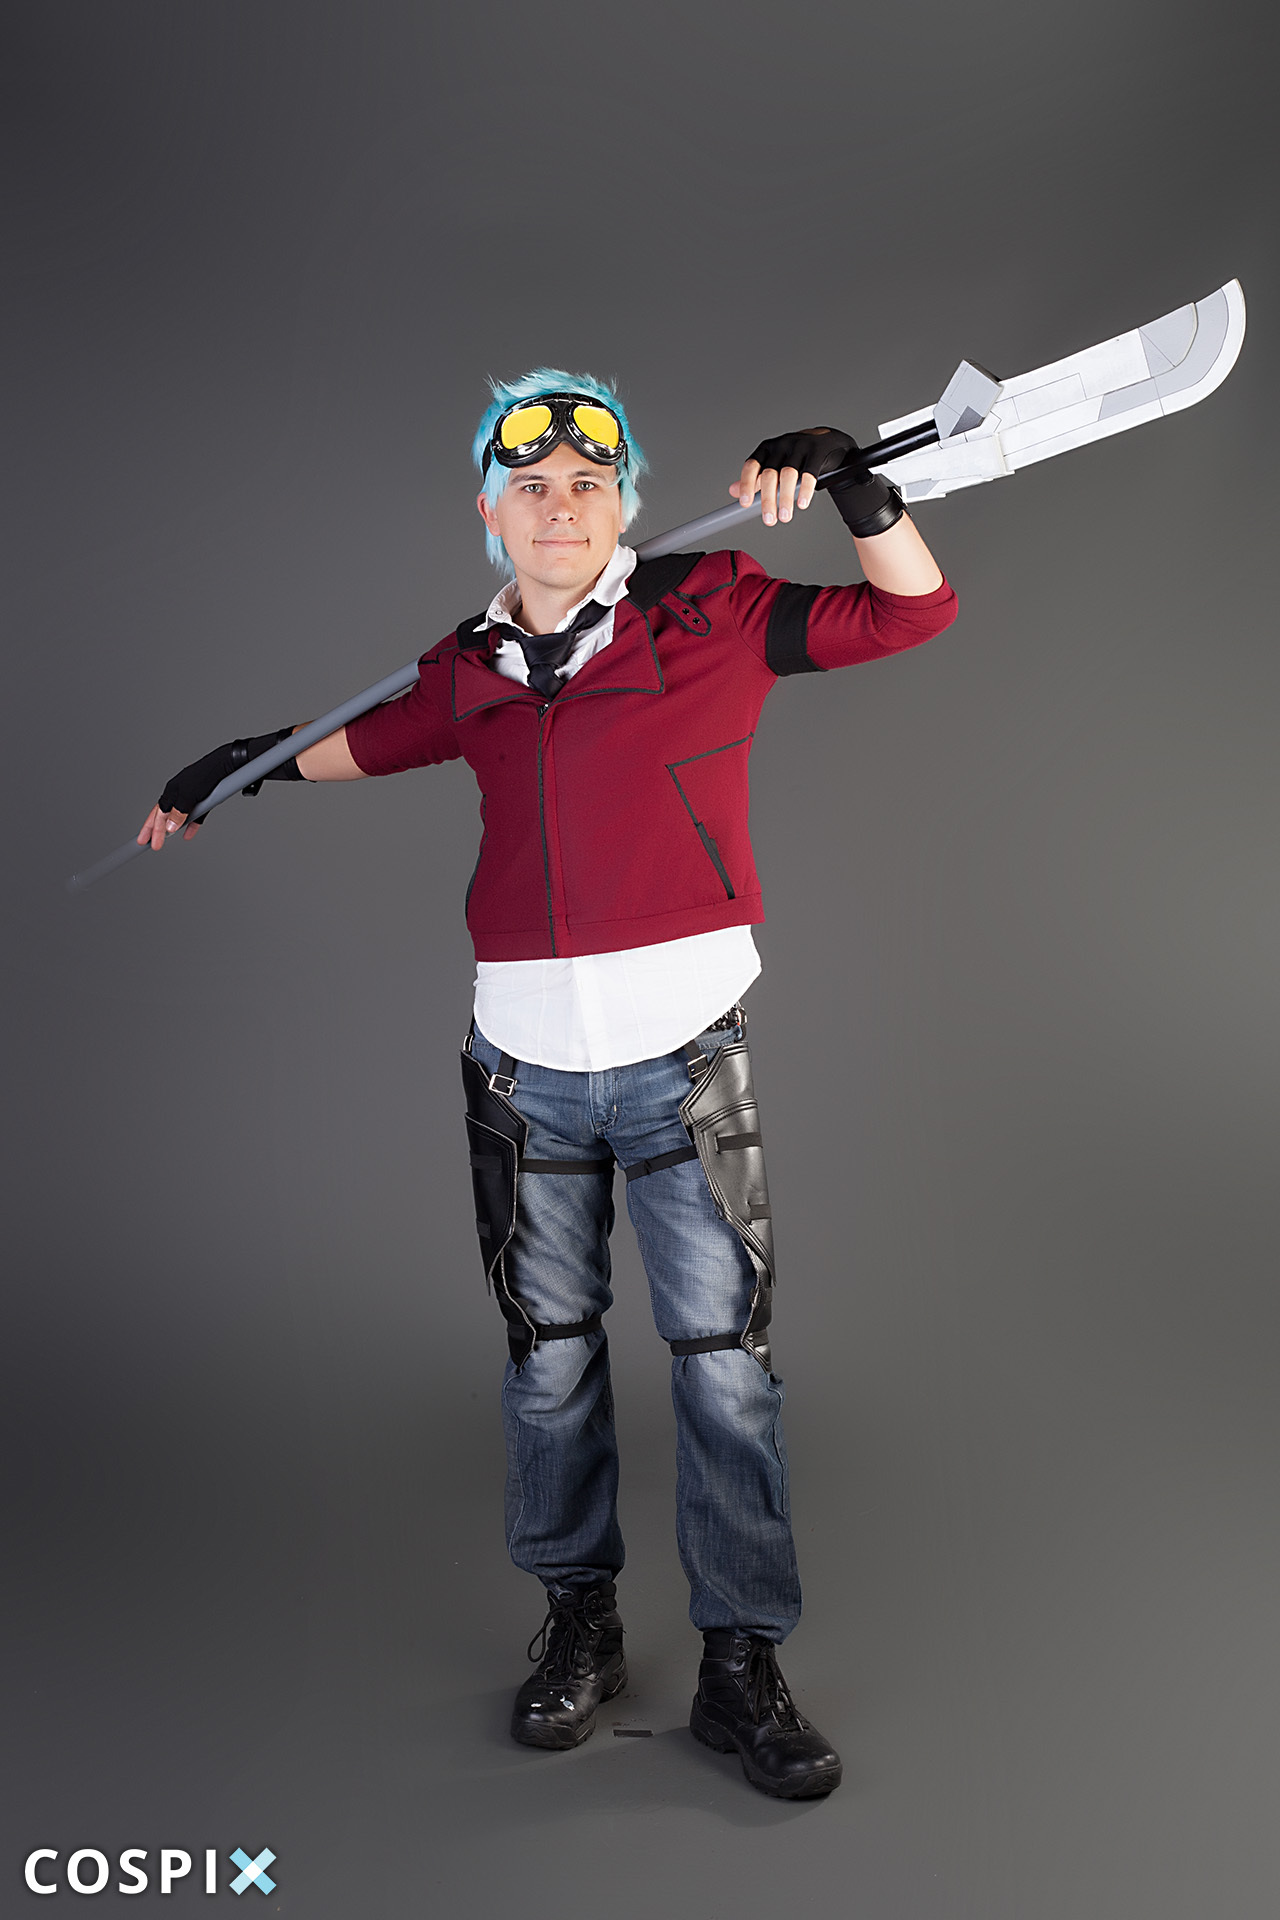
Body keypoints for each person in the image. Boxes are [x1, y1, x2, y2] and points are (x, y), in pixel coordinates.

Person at [138, 369, 957, 1799]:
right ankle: (580, 1621)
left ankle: (741, 1663)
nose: (561, 508)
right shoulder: (465, 665)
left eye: (588, 485)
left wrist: (856, 489)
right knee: (550, 1365)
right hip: (519, 1073)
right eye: (532, 487)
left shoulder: (709, 608)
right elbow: (375, 740)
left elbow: (911, 614)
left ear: (624, 503)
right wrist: (246, 767)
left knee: (726, 1372)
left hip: (683, 1059)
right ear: (490, 510)